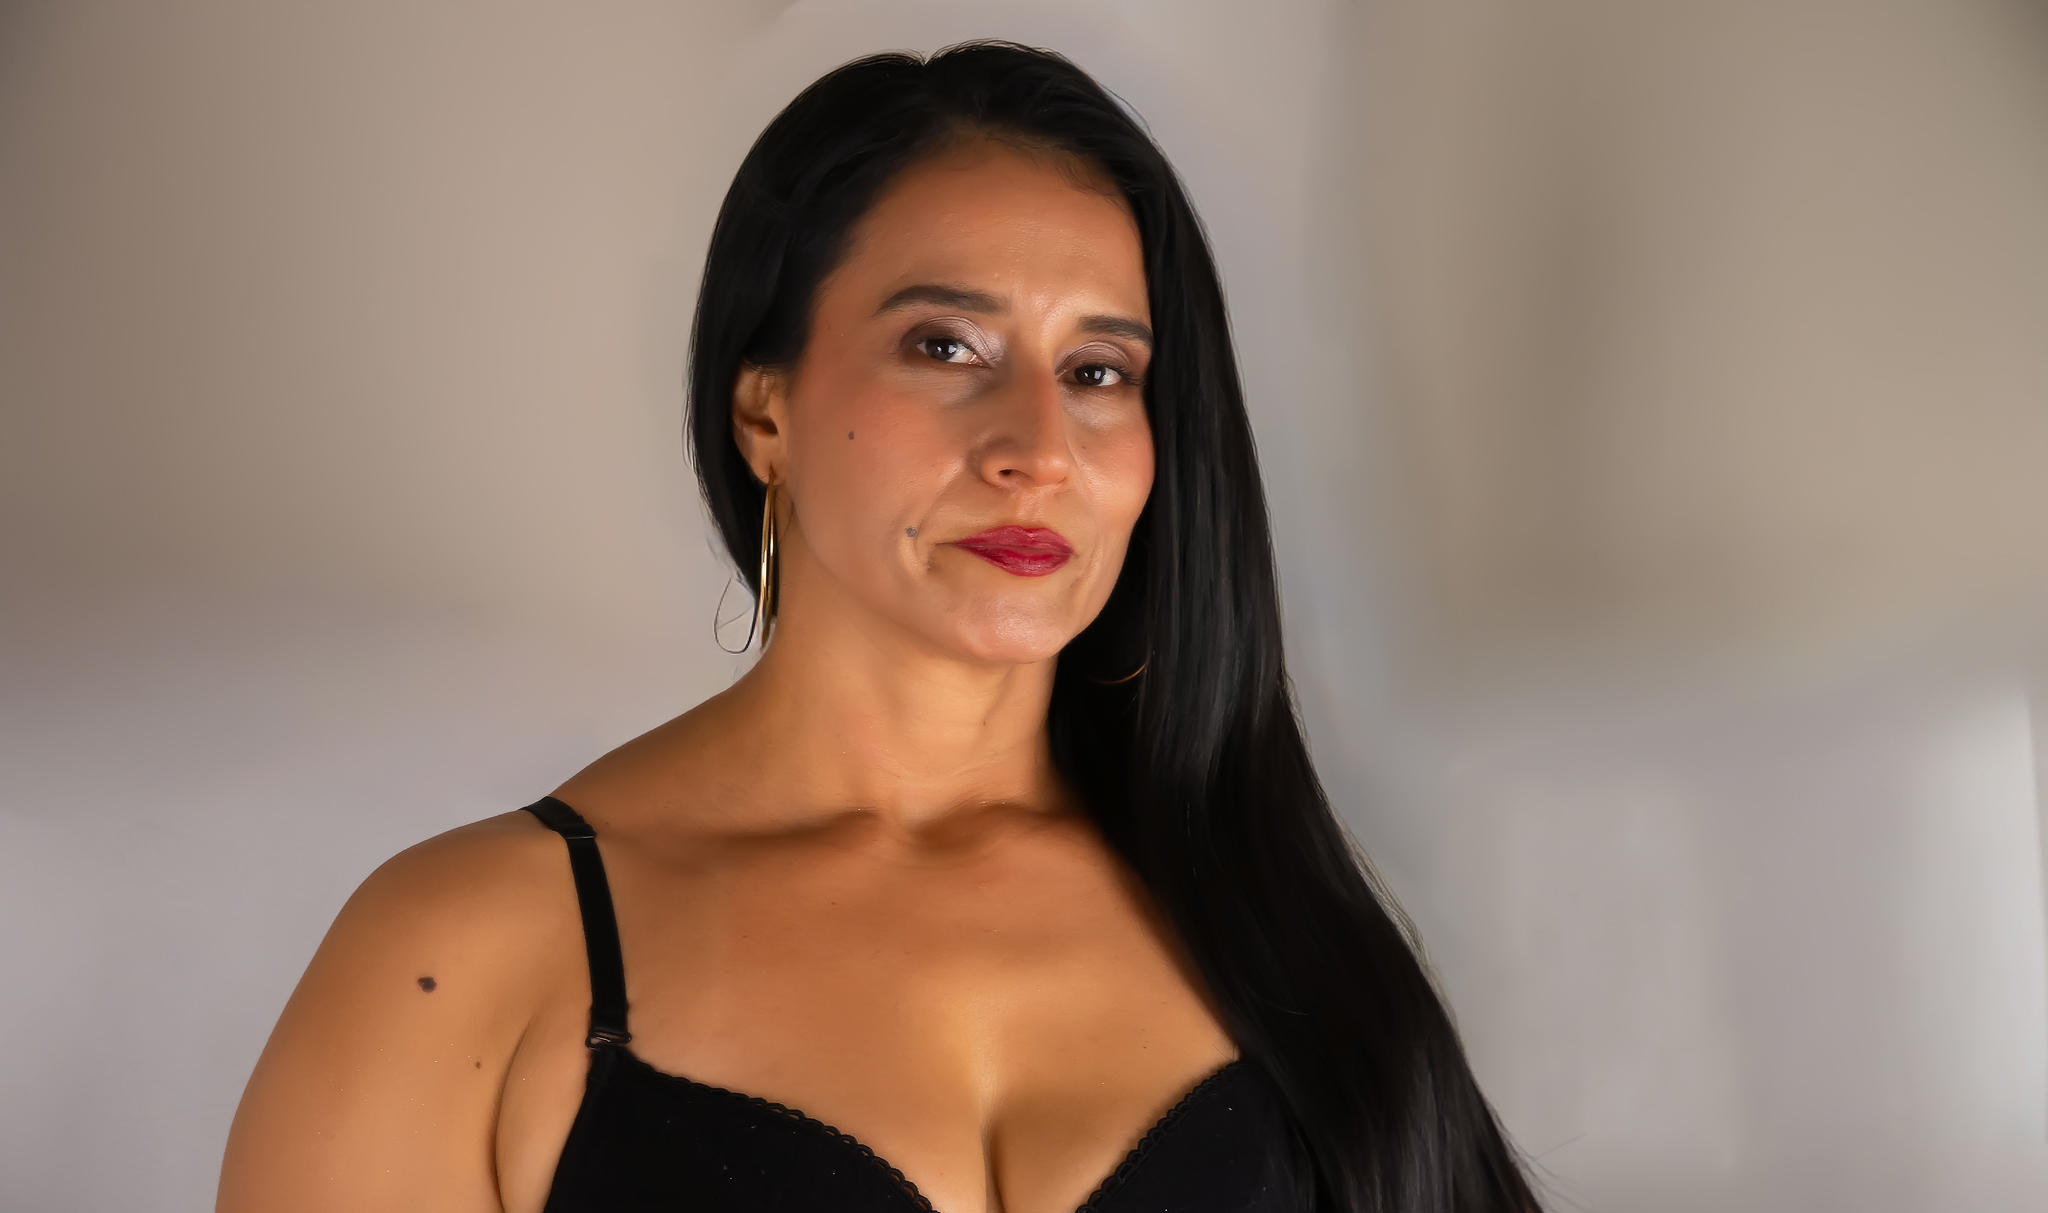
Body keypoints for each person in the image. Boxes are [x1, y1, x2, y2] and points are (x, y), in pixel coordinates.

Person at [217, 39, 1546, 1213]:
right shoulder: (465, 962)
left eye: (1099, 371)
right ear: (765, 412)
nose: (1037, 447)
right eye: (946, 347)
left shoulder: (1276, 922)